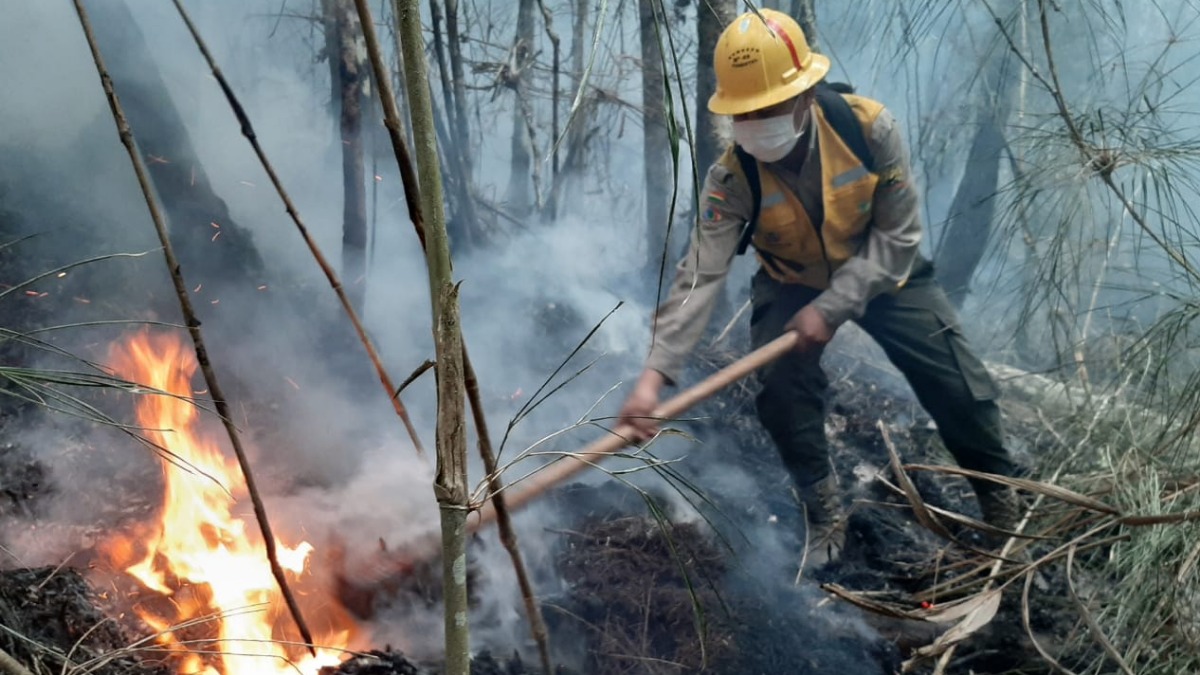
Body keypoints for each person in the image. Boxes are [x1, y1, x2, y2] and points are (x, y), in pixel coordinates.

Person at [617, 9, 1022, 566]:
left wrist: (833, 308)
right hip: (792, 282)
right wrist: (652, 378)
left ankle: (1001, 500)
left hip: (883, 271)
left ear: (806, 95)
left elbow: (899, 235)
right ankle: (823, 507)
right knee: (781, 392)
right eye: (746, 113)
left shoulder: (868, 129)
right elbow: (700, 274)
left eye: (772, 107)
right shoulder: (732, 178)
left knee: (953, 377)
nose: (759, 121)